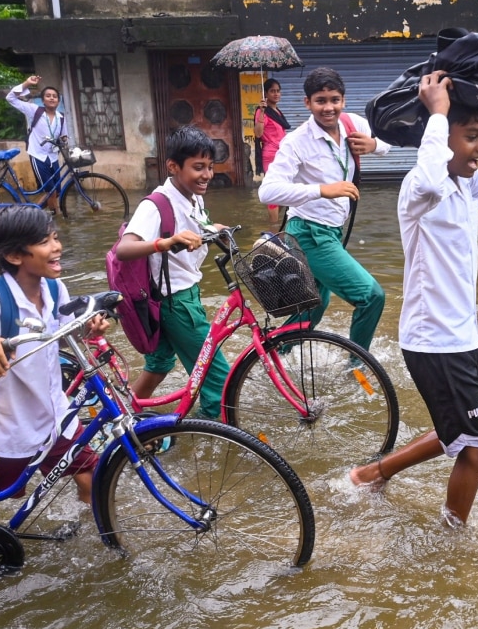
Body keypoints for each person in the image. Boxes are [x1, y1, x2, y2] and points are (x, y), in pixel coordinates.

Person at [348, 70, 478, 527]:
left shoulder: (468, 185)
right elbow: (431, 176)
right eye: (471, 137)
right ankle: (452, 544)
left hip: (458, 338)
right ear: (440, 137)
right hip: (436, 341)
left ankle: (371, 474)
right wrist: (437, 115)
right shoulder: (420, 187)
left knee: (463, 434)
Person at [0, 205, 108, 512]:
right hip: (12, 426)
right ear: (14, 256)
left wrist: (86, 329)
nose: (57, 247)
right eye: (45, 242)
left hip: (56, 414)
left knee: (90, 476)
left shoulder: (53, 287)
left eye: (55, 237)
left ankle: (108, 539)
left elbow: (61, 337)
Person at [258, 67, 390, 352]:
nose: (328, 107)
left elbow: (390, 142)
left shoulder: (353, 123)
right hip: (308, 233)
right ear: (308, 103)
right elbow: (266, 191)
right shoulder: (297, 142)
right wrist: (321, 189)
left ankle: (271, 356)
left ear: (343, 99)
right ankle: (358, 367)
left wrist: (374, 144)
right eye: (320, 100)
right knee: (371, 296)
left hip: (331, 232)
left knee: (314, 306)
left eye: (334, 99)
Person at [114, 125, 230, 420]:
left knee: (160, 363)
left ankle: (119, 418)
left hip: (175, 296)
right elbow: (124, 249)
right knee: (219, 376)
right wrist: (164, 242)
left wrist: (215, 231)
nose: (207, 175)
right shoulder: (156, 205)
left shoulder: (192, 196)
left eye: (210, 167)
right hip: (175, 303)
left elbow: (193, 227)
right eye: (198, 167)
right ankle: (215, 430)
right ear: (173, 167)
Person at [7, 75, 68, 212]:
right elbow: (10, 98)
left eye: (55, 96)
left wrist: (65, 142)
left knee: (56, 192)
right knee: (51, 191)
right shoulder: (35, 111)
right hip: (38, 156)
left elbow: (64, 136)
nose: (52, 98)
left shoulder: (61, 117)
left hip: (53, 157)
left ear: (58, 101)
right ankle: (56, 219)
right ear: (43, 100)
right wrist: (27, 84)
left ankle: (31, 212)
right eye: (48, 96)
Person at [254, 78, 291, 225]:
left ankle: (272, 221)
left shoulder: (277, 111)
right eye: (272, 91)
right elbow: (258, 133)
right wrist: (262, 112)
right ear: (266, 93)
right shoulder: (262, 112)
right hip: (271, 155)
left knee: (286, 190)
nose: (276, 94)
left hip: (282, 153)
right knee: (275, 190)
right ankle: (274, 229)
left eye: (278, 91)